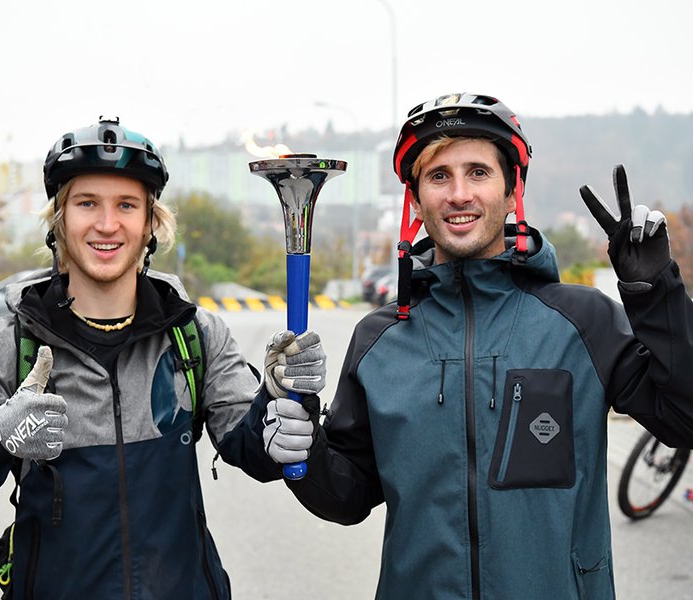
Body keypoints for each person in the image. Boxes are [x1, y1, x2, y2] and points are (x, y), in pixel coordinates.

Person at [262, 92, 693, 599]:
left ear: (512, 192)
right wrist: (304, 452)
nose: (459, 193)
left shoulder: (583, 321)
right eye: (439, 175)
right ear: (416, 201)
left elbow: (683, 418)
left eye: (479, 172)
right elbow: (349, 495)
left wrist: (656, 294)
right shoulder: (379, 338)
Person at [0, 116, 325, 600]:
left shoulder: (195, 334)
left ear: (150, 222)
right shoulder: (9, 344)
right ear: (60, 220)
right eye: (87, 203)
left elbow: (252, 447)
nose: (107, 224)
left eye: (126, 205)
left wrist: (281, 402)